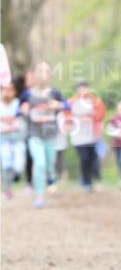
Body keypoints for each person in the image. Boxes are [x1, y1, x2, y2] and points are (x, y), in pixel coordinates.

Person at [19, 61, 68, 208]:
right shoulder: (27, 94)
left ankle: (52, 176)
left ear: (50, 75)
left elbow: (67, 105)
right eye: (39, 71)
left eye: (46, 71)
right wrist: (23, 109)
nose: (42, 74)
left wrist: (57, 105)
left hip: (51, 135)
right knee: (39, 163)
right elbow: (19, 108)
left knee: (49, 165)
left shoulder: (55, 93)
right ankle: (39, 195)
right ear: (33, 75)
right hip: (34, 134)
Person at [67, 82, 107, 191]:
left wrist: (96, 122)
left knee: (92, 158)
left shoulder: (94, 101)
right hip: (78, 137)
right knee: (84, 158)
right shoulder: (71, 102)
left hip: (92, 135)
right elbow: (66, 116)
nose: (83, 91)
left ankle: (89, 181)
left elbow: (101, 113)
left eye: (85, 89)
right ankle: (85, 181)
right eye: (80, 89)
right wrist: (69, 125)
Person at [1, 81, 25, 198]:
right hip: (3, 140)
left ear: (14, 92)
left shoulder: (18, 104)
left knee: (18, 166)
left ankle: (16, 177)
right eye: (5, 89)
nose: (7, 92)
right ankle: (7, 189)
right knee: (6, 165)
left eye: (10, 89)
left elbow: (22, 122)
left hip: (17, 140)